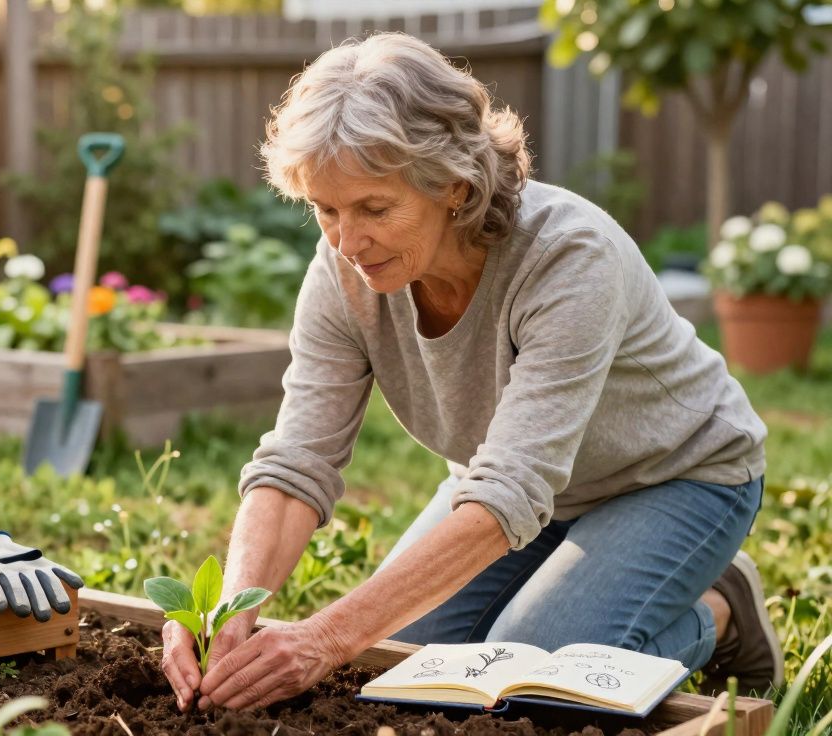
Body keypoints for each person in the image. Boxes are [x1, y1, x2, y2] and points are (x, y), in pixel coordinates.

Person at [159, 32, 783, 713]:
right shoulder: (343, 269)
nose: (346, 241)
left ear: (453, 186)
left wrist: (323, 638)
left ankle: (721, 609)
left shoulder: (569, 257)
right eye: (326, 209)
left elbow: (512, 489)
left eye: (373, 208)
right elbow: (297, 462)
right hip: (516, 492)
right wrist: (228, 611)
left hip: (676, 477)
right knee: (411, 675)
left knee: (531, 690)